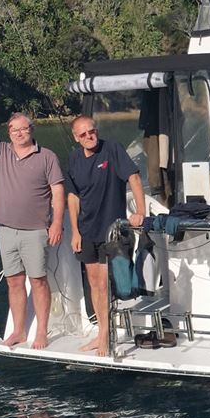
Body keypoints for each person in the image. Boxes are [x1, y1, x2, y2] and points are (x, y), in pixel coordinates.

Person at [0, 91, 64, 350]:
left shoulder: (47, 157)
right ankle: (19, 331)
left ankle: (42, 331)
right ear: (9, 133)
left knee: (38, 280)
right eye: (14, 130)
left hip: (35, 230)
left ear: (32, 130)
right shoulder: (1, 152)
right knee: (13, 280)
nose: (19, 133)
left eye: (23, 129)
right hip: (6, 230)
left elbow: (57, 191)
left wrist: (56, 223)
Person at [66, 116, 146, 357]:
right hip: (86, 230)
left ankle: (104, 336)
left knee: (103, 283)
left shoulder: (112, 149)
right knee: (94, 282)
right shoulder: (74, 159)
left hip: (110, 229)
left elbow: (134, 177)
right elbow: (73, 197)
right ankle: (103, 330)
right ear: (76, 138)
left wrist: (140, 211)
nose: (89, 137)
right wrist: (75, 231)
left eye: (92, 131)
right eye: (83, 134)